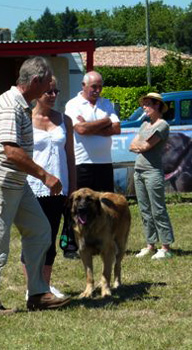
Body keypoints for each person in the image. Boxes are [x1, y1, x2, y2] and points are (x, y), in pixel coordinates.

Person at [0, 57, 71, 315]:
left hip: (17, 182)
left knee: (40, 230)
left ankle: (38, 293)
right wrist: (45, 176)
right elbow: (11, 152)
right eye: (47, 84)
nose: (50, 90)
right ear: (36, 81)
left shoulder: (21, 104)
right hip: (3, 182)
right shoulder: (10, 106)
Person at [23, 76, 76, 299]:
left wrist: (73, 188)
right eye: (49, 92)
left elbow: (71, 157)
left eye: (56, 92)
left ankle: (45, 285)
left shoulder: (65, 120)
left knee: (51, 236)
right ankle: (31, 287)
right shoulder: (26, 119)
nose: (53, 96)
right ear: (38, 93)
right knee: (33, 237)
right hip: (33, 187)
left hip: (58, 189)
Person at [63, 71, 121, 258]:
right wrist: (105, 122)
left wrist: (91, 125)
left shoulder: (107, 103)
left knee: (105, 205)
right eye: (93, 86)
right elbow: (80, 129)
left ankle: (104, 241)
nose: (97, 90)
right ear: (83, 85)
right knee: (79, 206)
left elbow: (116, 128)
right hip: (82, 163)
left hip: (104, 163)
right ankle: (73, 244)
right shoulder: (73, 104)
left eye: (99, 86)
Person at [130, 93, 175, 260]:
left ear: (157, 106)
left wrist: (139, 146)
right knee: (144, 210)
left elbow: (146, 146)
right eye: (144, 104)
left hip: (152, 172)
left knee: (158, 210)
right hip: (139, 171)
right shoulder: (144, 124)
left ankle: (165, 247)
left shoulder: (162, 125)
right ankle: (150, 244)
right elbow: (132, 145)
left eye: (148, 104)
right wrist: (139, 146)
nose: (144, 107)